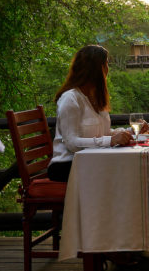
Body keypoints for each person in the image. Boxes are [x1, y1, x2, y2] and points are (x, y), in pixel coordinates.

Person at [48, 44, 144, 182]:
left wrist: (131, 131)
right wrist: (110, 141)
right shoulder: (70, 99)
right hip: (66, 165)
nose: (108, 69)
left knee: (129, 164)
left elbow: (103, 133)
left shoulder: (95, 97)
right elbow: (71, 143)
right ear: (96, 69)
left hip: (92, 160)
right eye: (106, 64)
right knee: (124, 168)